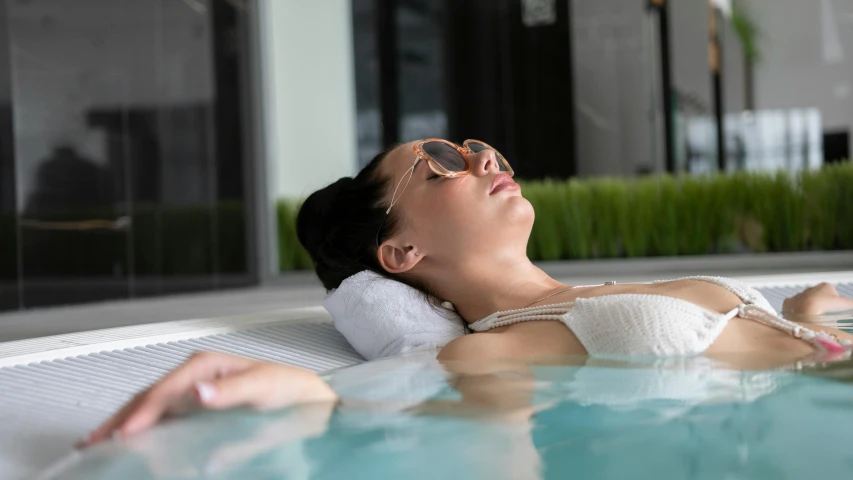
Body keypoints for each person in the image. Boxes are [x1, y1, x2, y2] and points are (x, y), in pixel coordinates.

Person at [80, 139, 853, 448]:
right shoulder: (489, 346)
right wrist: (306, 394)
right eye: (442, 161)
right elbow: (417, 417)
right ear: (401, 251)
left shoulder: (592, 294)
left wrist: (804, 315)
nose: (483, 157)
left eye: (481, 148)